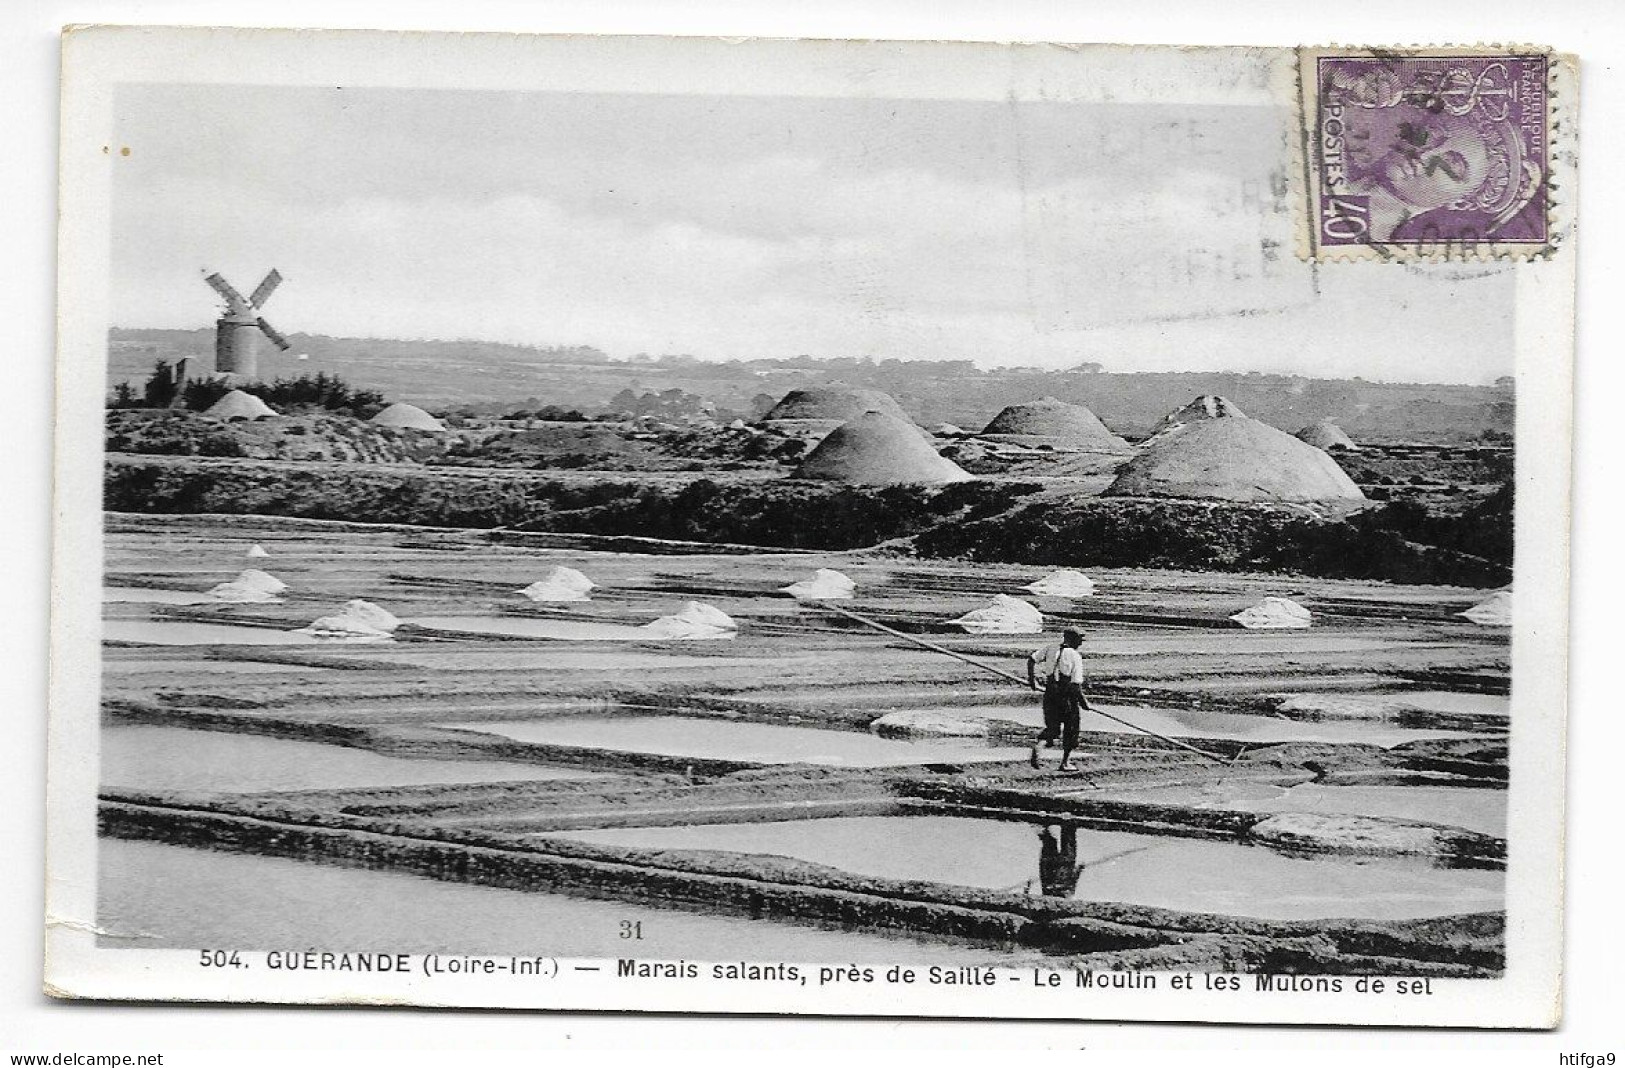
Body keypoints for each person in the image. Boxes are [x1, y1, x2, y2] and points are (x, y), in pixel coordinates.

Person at [1026, 627, 1089, 771]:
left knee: (1053, 728)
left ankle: (1038, 747)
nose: (1080, 643)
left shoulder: (1051, 648)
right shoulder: (1075, 656)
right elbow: (1075, 686)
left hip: (1050, 694)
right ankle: (1065, 763)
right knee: (1071, 729)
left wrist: (1032, 680)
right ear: (1072, 639)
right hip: (1066, 697)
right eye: (1079, 639)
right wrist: (1084, 703)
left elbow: (1031, 660)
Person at [1037, 824, 1084, 898]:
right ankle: (1068, 826)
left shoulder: (1048, 894)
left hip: (1052, 875)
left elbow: (1073, 883)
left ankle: (1046, 832)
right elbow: (1073, 883)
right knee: (1068, 844)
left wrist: (1078, 871)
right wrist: (1078, 871)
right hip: (1064, 871)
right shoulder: (1067, 894)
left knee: (1050, 845)